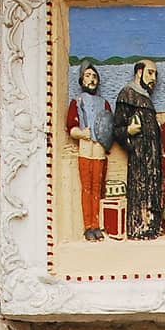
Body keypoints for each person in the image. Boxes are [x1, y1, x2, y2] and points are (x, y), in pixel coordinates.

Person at [113, 58, 163, 240]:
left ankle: (152, 227)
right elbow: (117, 127)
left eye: (156, 74)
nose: (154, 78)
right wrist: (128, 130)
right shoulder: (127, 94)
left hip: (152, 155)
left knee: (152, 191)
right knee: (140, 191)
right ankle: (139, 228)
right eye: (150, 72)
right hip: (139, 155)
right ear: (139, 72)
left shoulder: (145, 97)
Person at [65, 62, 112, 241]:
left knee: (97, 188)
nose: (91, 79)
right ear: (81, 79)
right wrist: (80, 133)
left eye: (94, 76)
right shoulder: (77, 102)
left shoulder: (104, 103)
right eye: (88, 76)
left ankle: (96, 223)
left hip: (99, 148)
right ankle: (88, 226)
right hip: (85, 148)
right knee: (87, 188)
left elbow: (108, 127)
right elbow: (72, 126)